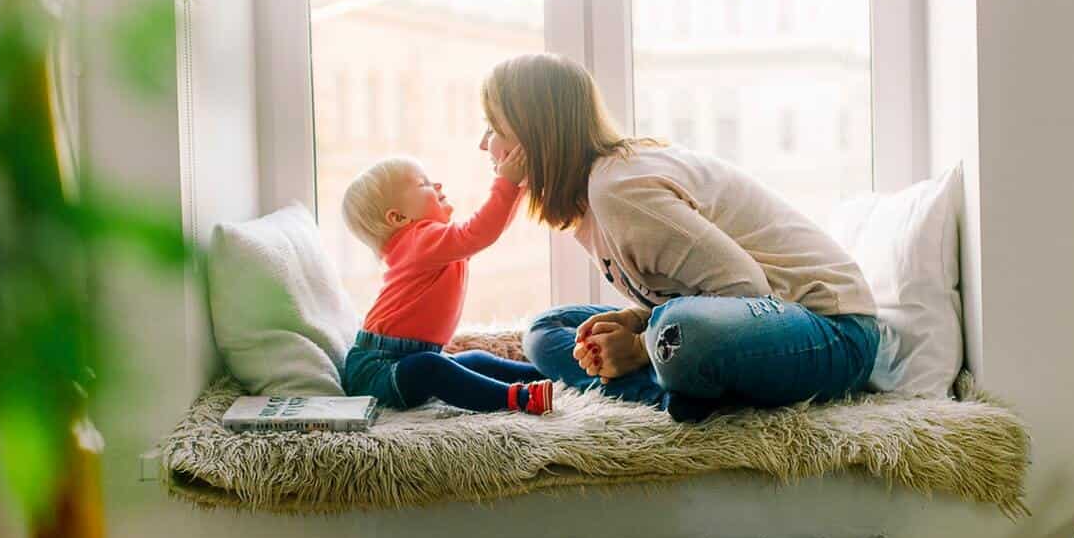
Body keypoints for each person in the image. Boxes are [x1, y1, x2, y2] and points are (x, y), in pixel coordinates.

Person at [478, 53, 880, 422]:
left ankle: (670, 384)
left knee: (679, 331)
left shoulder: (619, 190)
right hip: (748, 323)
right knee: (548, 330)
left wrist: (637, 346)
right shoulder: (590, 201)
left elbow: (747, 289)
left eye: (495, 128)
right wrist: (638, 322)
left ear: (536, 138)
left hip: (832, 332)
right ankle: (676, 393)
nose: (484, 144)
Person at [341, 152, 554, 414]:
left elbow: (487, 232)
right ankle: (518, 398)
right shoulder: (420, 241)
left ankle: (547, 374)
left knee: (474, 360)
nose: (437, 185)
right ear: (397, 218)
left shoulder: (430, 243)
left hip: (406, 358)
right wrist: (507, 183)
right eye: (424, 184)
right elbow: (479, 232)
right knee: (431, 368)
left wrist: (518, 189)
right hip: (377, 370)